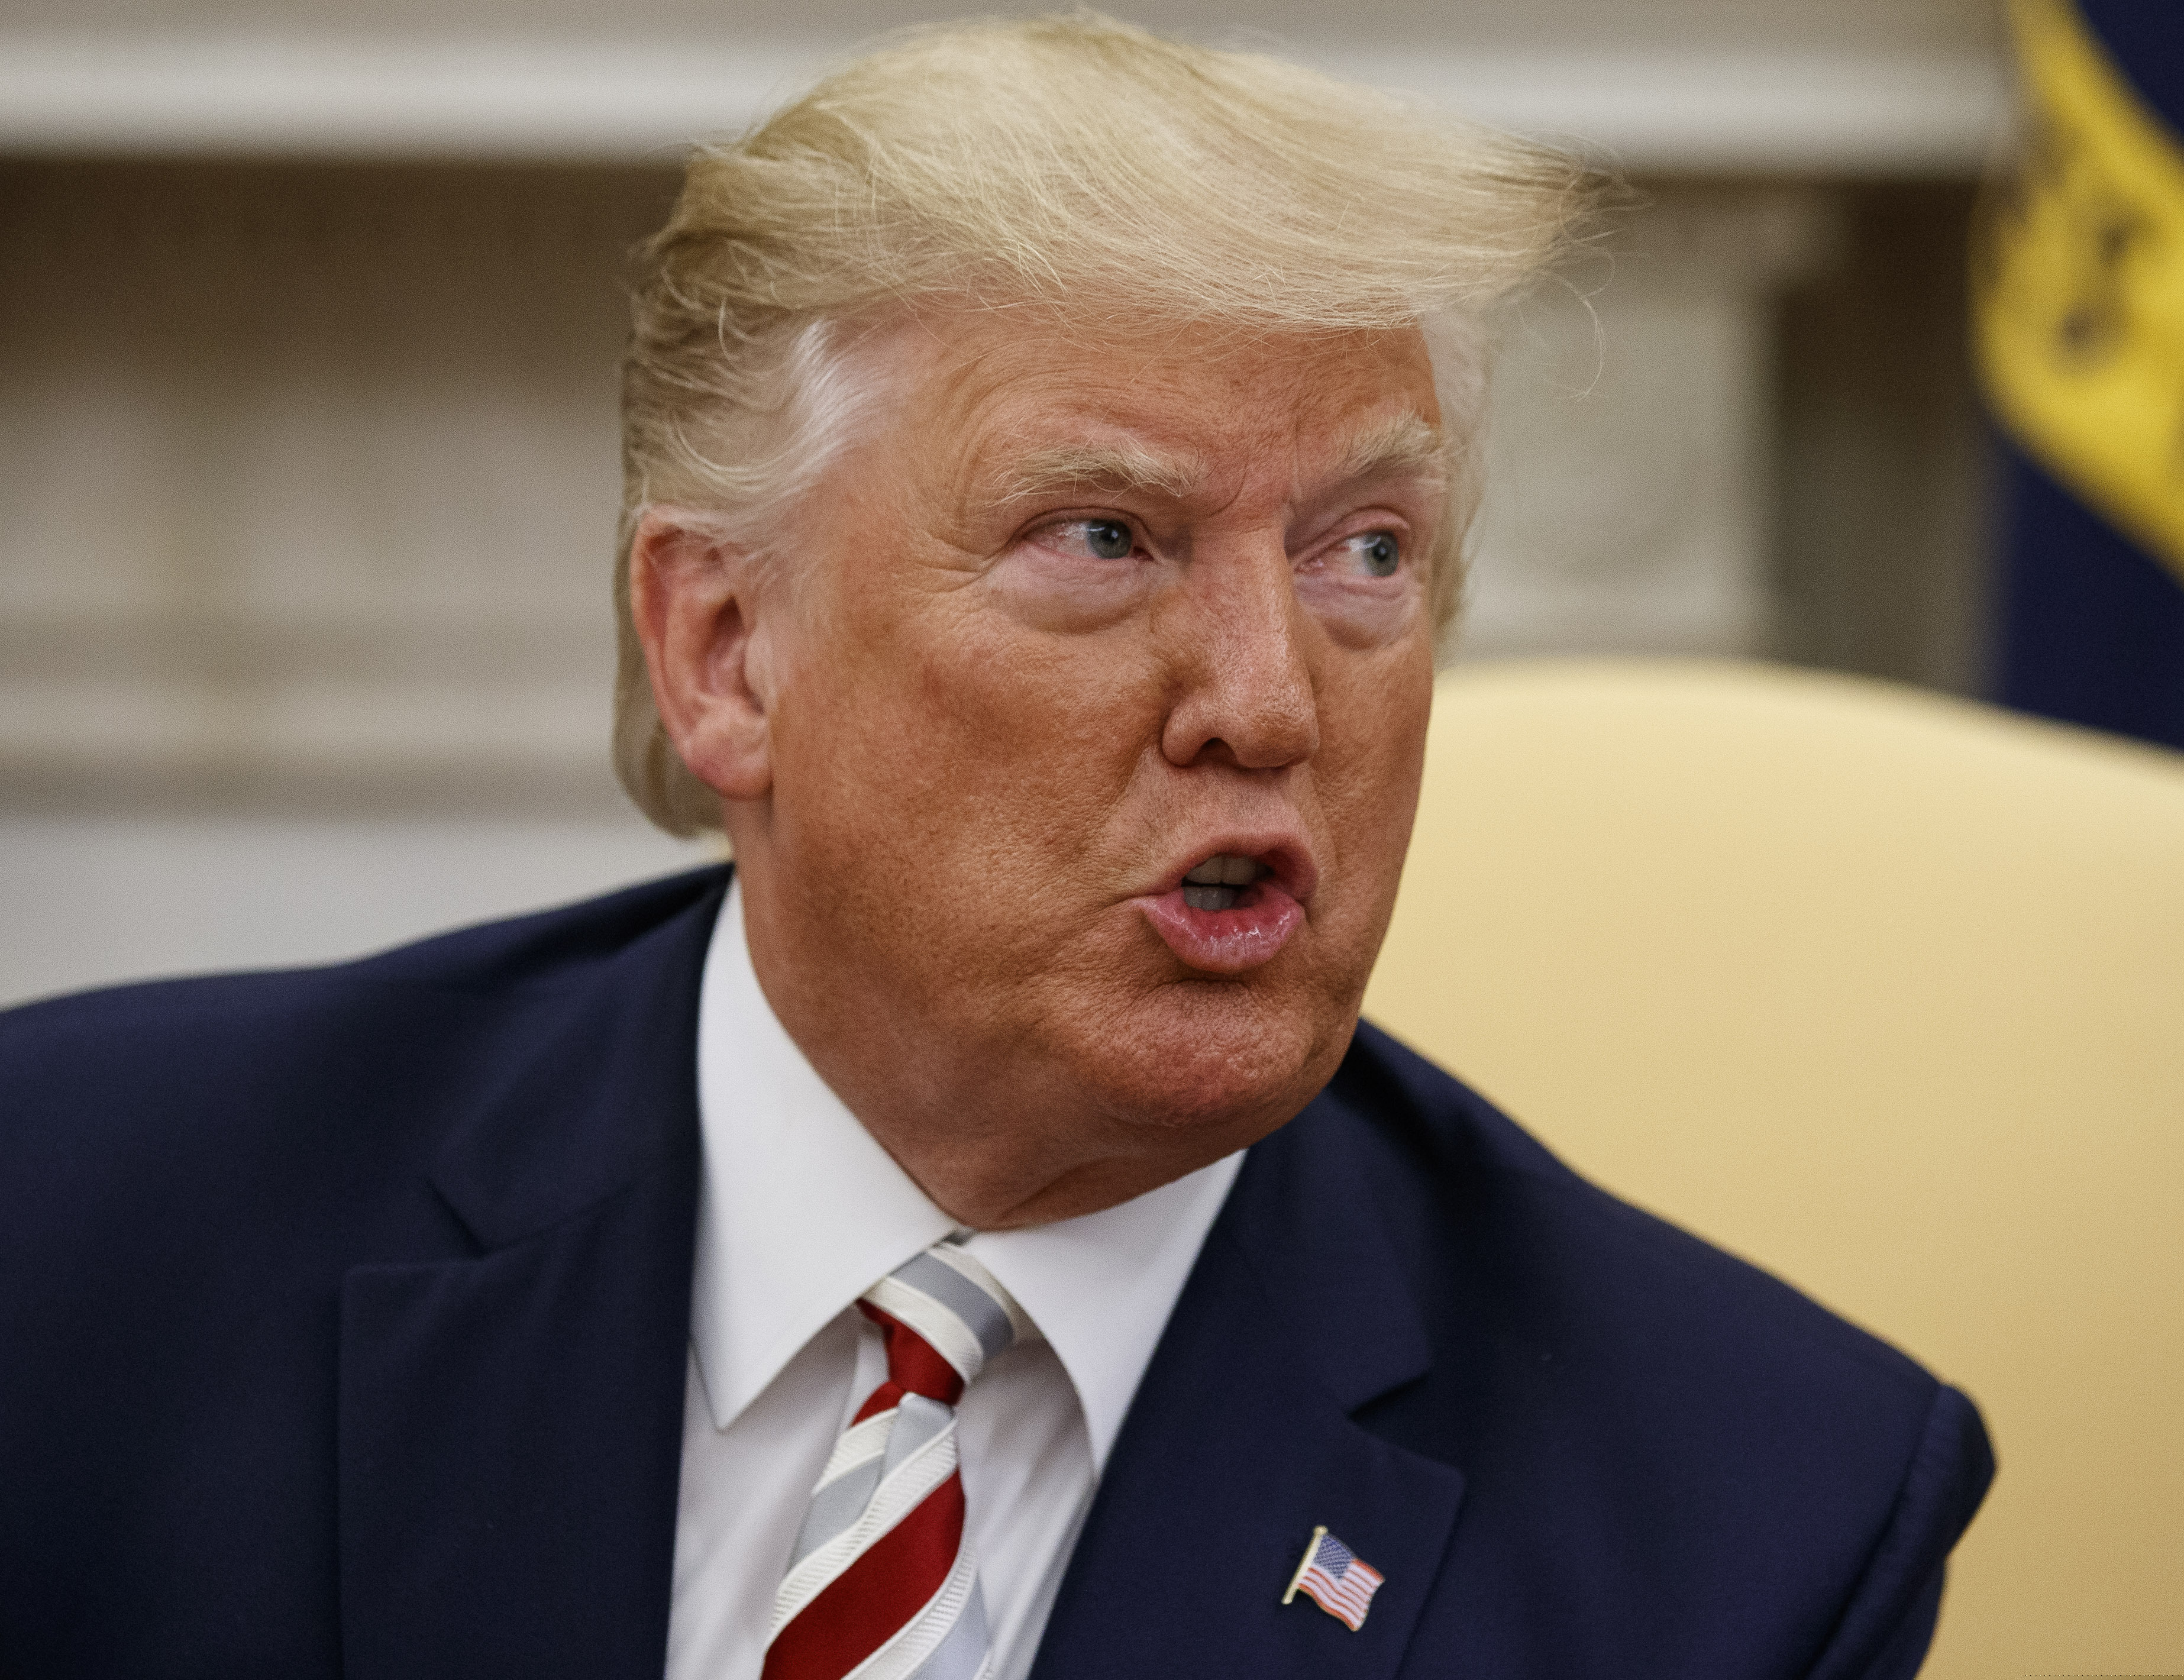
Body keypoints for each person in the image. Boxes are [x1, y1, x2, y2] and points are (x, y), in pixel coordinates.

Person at [0, 17, 1992, 1679]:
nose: (1269, 701)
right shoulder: (82, 1231)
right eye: (1103, 540)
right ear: (725, 651)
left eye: (1360, 554)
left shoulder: (1749, 1519)